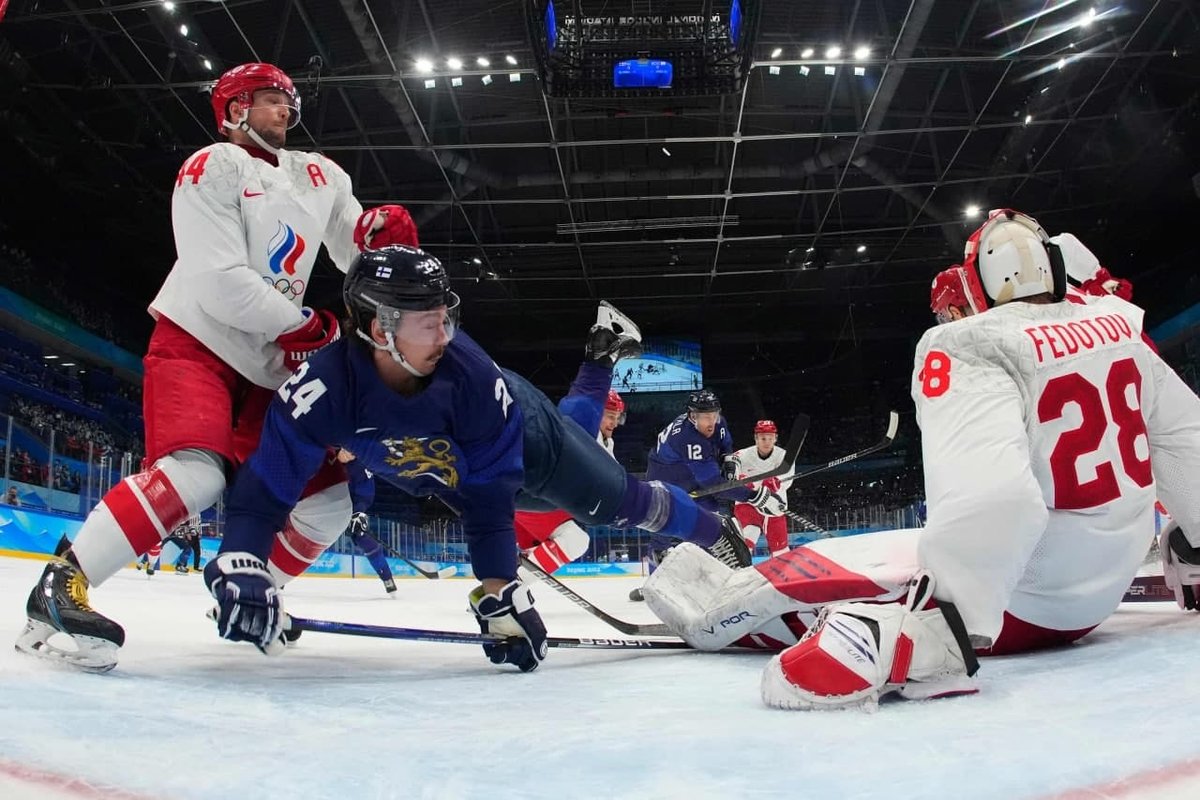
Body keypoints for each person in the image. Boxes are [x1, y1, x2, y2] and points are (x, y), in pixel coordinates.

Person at [642, 209, 1200, 710]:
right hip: (1104, 583)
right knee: (874, 550)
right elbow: (1187, 446)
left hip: (1025, 606)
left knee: (822, 576)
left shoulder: (969, 345)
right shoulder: (1119, 325)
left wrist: (944, 622)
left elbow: (996, 502)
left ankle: (724, 614)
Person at [15, 61, 420, 673]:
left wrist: (387, 247)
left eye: (288, 99)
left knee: (330, 504)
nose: (285, 109)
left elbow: (353, 257)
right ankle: (59, 588)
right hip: (197, 343)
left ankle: (255, 590)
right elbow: (218, 282)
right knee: (195, 476)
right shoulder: (210, 167)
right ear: (233, 109)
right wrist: (308, 327)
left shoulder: (322, 175)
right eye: (268, 99)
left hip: (268, 367)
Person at [204, 245, 744, 673]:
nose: (446, 335)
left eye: (447, 318)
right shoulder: (319, 392)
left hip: (525, 446)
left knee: (616, 503)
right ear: (377, 328)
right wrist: (241, 561)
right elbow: (267, 488)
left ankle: (712, 529)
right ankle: (598, 356)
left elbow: (489, 502)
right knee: (575, 435)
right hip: (451, 471)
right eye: (429, 324)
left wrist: (497, 592)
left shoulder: (471, 377)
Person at [628, 390, 783, 600]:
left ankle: (719, 577)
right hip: (667, 477)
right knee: (663, 527)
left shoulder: (717, 422)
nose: (711, 421)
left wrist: (729, 459)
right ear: (692, 417)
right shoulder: (688, 438)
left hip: (689, 471)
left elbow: (725, 443)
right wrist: (754, 496)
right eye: (705, 417)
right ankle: (654, 588)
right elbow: (713, 483)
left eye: (713, 414)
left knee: (713, 517)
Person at [517, 317, 641, 574]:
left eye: (617, 417)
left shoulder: (605, 439)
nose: (614, 422)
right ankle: (511, 586)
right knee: (575, 541)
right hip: (532, 492)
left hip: (532, 494)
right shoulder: (583, 428)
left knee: (568, 541)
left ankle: (509, 579)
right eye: (609, 415)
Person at [729, 420, 795, 557]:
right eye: (763, 438)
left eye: (770, 438)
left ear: (775, 438)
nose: (766, 442)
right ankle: (737, 566)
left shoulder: (784, 456)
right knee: (750, 533)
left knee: (781, 553)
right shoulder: (741, 455)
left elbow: (787, 478)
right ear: (756, 438)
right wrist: (738, 481)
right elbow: (730, 468)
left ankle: (782, 578)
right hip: (748, 503)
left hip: (774, 507)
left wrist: (775, 482)